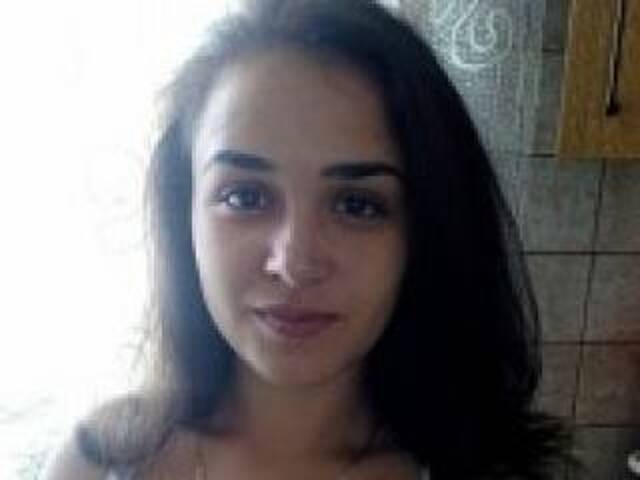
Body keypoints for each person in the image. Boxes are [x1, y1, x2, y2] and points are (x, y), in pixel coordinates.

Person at [43, 0, 575, 478]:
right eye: (244, 197)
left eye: (356, 204)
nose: (294, 262)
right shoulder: (101, 460)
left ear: (425, 232)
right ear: (185, 214)